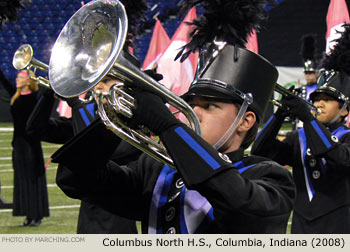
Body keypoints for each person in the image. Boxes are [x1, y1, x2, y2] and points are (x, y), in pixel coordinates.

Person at [52, 0, 295, 234]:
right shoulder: (156, 171)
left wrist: (164, 124)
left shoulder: (270, 176)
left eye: (209, 106)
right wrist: (116, 120)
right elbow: (74, 179)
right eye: (190, 104)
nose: (194, 112)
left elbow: (240, 204)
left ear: (245, 120)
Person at [251, 23, 350, 233]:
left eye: (328, 100)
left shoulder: (347, 138)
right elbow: (261, 152)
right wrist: (279, 116)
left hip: (340, 225)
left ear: (344, 111)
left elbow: (338, 158)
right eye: (317, 99)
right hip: (301, 225)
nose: (319, 104)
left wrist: (307, 117)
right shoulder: (300, 138)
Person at [26, 74, 140, 234]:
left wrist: (77, 105)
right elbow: (35, 130)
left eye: (106, 81)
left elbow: (93, 154)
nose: (98, 85)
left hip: (116, 221)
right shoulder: (89, 120)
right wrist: (48, 93)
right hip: (87, 220)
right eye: (98, 80)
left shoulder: (134, 126)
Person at [0, 69, 49, 227]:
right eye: (17, 76)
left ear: (29, 81)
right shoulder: (15, 96)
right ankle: (28, 215)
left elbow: (47, 94)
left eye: (21, 77)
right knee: (22, 180)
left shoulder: (35, 98)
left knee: (33, 179)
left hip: (31, 144)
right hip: (19, 144)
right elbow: (4, 81)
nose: (17, 79)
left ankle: (37, 215)